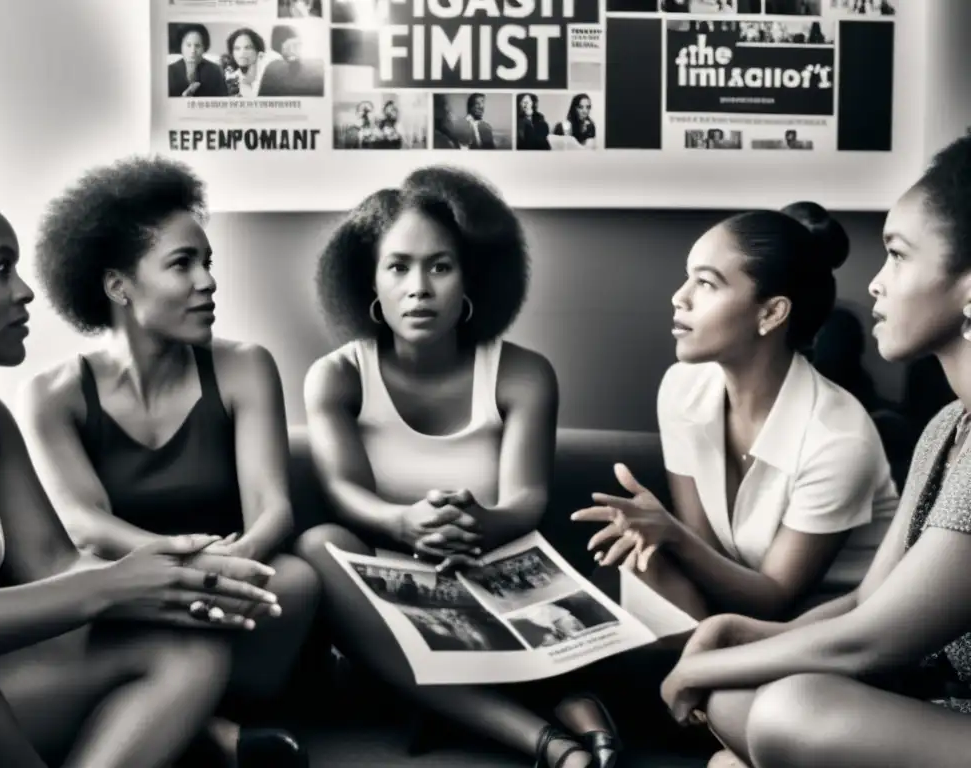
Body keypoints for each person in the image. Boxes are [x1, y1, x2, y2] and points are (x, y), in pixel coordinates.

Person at [0, 158, 287, 767]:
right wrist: (109, 585)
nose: (24, 290)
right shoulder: (53, 393)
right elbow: (85, 570)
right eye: (0, 269)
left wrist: (173, 579)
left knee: (187, 653)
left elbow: (54, 562)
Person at [658, 133, 971, 768]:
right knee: (733, 701)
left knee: (784, 713)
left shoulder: (842, 432)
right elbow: (865, 603)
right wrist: (731, 638)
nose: (876, 285)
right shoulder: (945, 427)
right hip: (927, 701)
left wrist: (715, 658)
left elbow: (872, 641)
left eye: (899, 257)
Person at [295, 166, 619, 768]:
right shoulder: (336, 376)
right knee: (319, 544)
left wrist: (477, 524)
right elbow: (343, 490)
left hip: (493, 566)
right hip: (392, 588)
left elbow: (526, 500)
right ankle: (546, 740)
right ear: (368, 278)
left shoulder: (524, 372)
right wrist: (403, 524)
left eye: (440, 266)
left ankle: (542, 706)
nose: (419, 287)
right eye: (398, 267)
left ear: (472, 277)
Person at [574, 202, 899, 625]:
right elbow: (705, 554)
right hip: (730, 598)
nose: (679, 296)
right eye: (689, 276)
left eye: (706, 283)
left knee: (646, 571)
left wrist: (669, 532)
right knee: (636, 561)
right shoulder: (682, 387)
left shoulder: (838, 440)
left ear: (771, 313)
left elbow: (775, 598)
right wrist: (661, 540)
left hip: (822, 623)